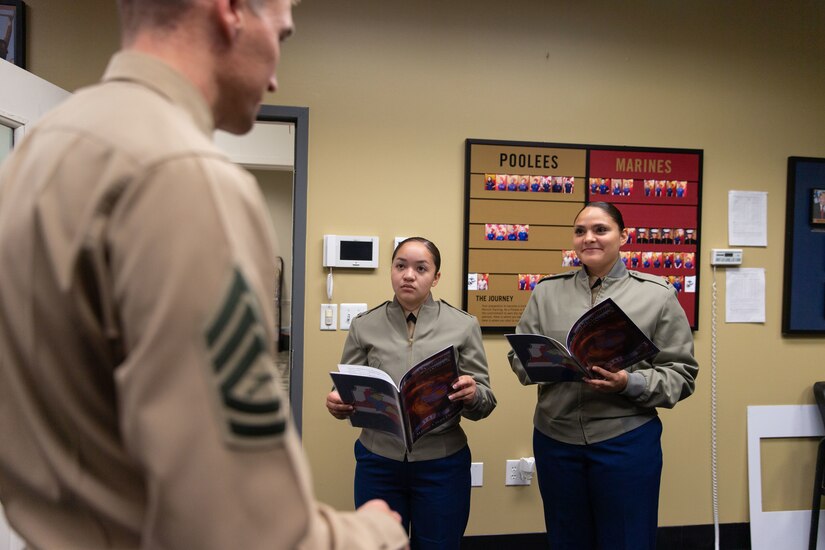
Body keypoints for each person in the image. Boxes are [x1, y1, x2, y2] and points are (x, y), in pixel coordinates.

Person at [0, 1, 407, 549]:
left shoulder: (38, 154)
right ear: (232, 11)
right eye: (281, 37)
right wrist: (372, 534)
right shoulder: (183, 176)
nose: (276, 72)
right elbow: (246, 527)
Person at [508, 202, 698, 550]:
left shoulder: (656, 295)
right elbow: (518, 357)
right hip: (556, 438)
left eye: (600, 229)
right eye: (580, 231)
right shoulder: (547, 291)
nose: (588, 238)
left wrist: (630, 382)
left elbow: (681, 375)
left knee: (627, 540)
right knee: (567, 539)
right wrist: (545, 364)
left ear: (623, 237)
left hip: (625, 440)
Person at [326, 237, 496, 549]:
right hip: (378, 461)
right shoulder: (364, 325)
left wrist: (473, 395)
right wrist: (338, 403)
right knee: (378, 544)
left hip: (442, 463)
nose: (408, 275)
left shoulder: (463, 325)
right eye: (401, 266)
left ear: (436, 277)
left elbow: (486, 400)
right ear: (391, 270)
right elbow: (347, 387)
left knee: (439, 544)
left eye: (421, 268)